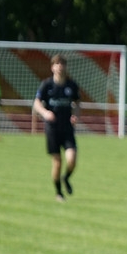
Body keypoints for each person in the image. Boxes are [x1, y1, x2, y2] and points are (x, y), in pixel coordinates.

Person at [33, 54, 80, 202]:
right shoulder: (46, 85)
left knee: (72, 159)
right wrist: (45, 113)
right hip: (52, 129)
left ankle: (66, 178)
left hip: (67, 129)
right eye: (57, 64)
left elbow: (77, 103)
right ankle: (59, 193)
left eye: (62, 64)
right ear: (52, 67)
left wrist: (75, 114)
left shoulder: (71, 85)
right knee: (57, 162)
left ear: (65, 67)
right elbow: (36, 103)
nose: (60, 66)